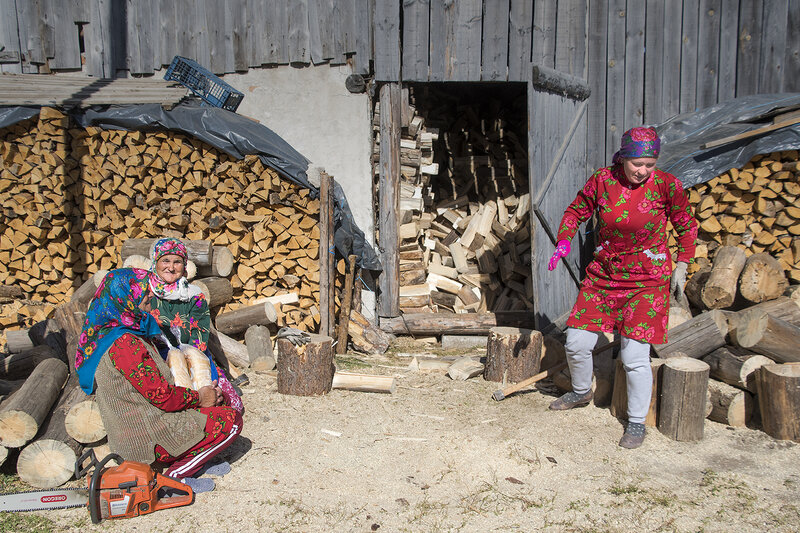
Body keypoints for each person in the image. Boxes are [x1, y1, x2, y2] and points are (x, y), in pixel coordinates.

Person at [547, 127, 698, 449]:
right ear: (623, 159)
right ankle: (580, 391)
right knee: (575, 343)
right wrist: (564, 240)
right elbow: (576, 211)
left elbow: (686, 224)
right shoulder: (603, 180)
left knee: (633, 357)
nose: (643, 171)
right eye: (637, 164)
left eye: (650, 164)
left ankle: (636, 421)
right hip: (605, 275)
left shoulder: (667, 185)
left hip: (647, 281)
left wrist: (683, 264)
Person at [76, 268, 243, 493]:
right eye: (143, 292)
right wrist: (200, 397)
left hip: (149, 419)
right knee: (231, 421)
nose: (150, 295)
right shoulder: (124, 345)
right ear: (126, 298)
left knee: (220, 402)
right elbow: (161, 396)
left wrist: (205, 396)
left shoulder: (123, 333)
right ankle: (176, 476)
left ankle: (195, 461)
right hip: (145, 434)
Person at [146, 237, 243, 414]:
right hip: (156, 353)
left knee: (221, 397)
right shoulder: (145, 293)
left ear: (184, 266)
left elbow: (200, 330)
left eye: (177, 262)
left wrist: (190, 357)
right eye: (165, 260)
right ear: (155, 263)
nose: (171, 267)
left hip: (192, 350)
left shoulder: (193, 294)